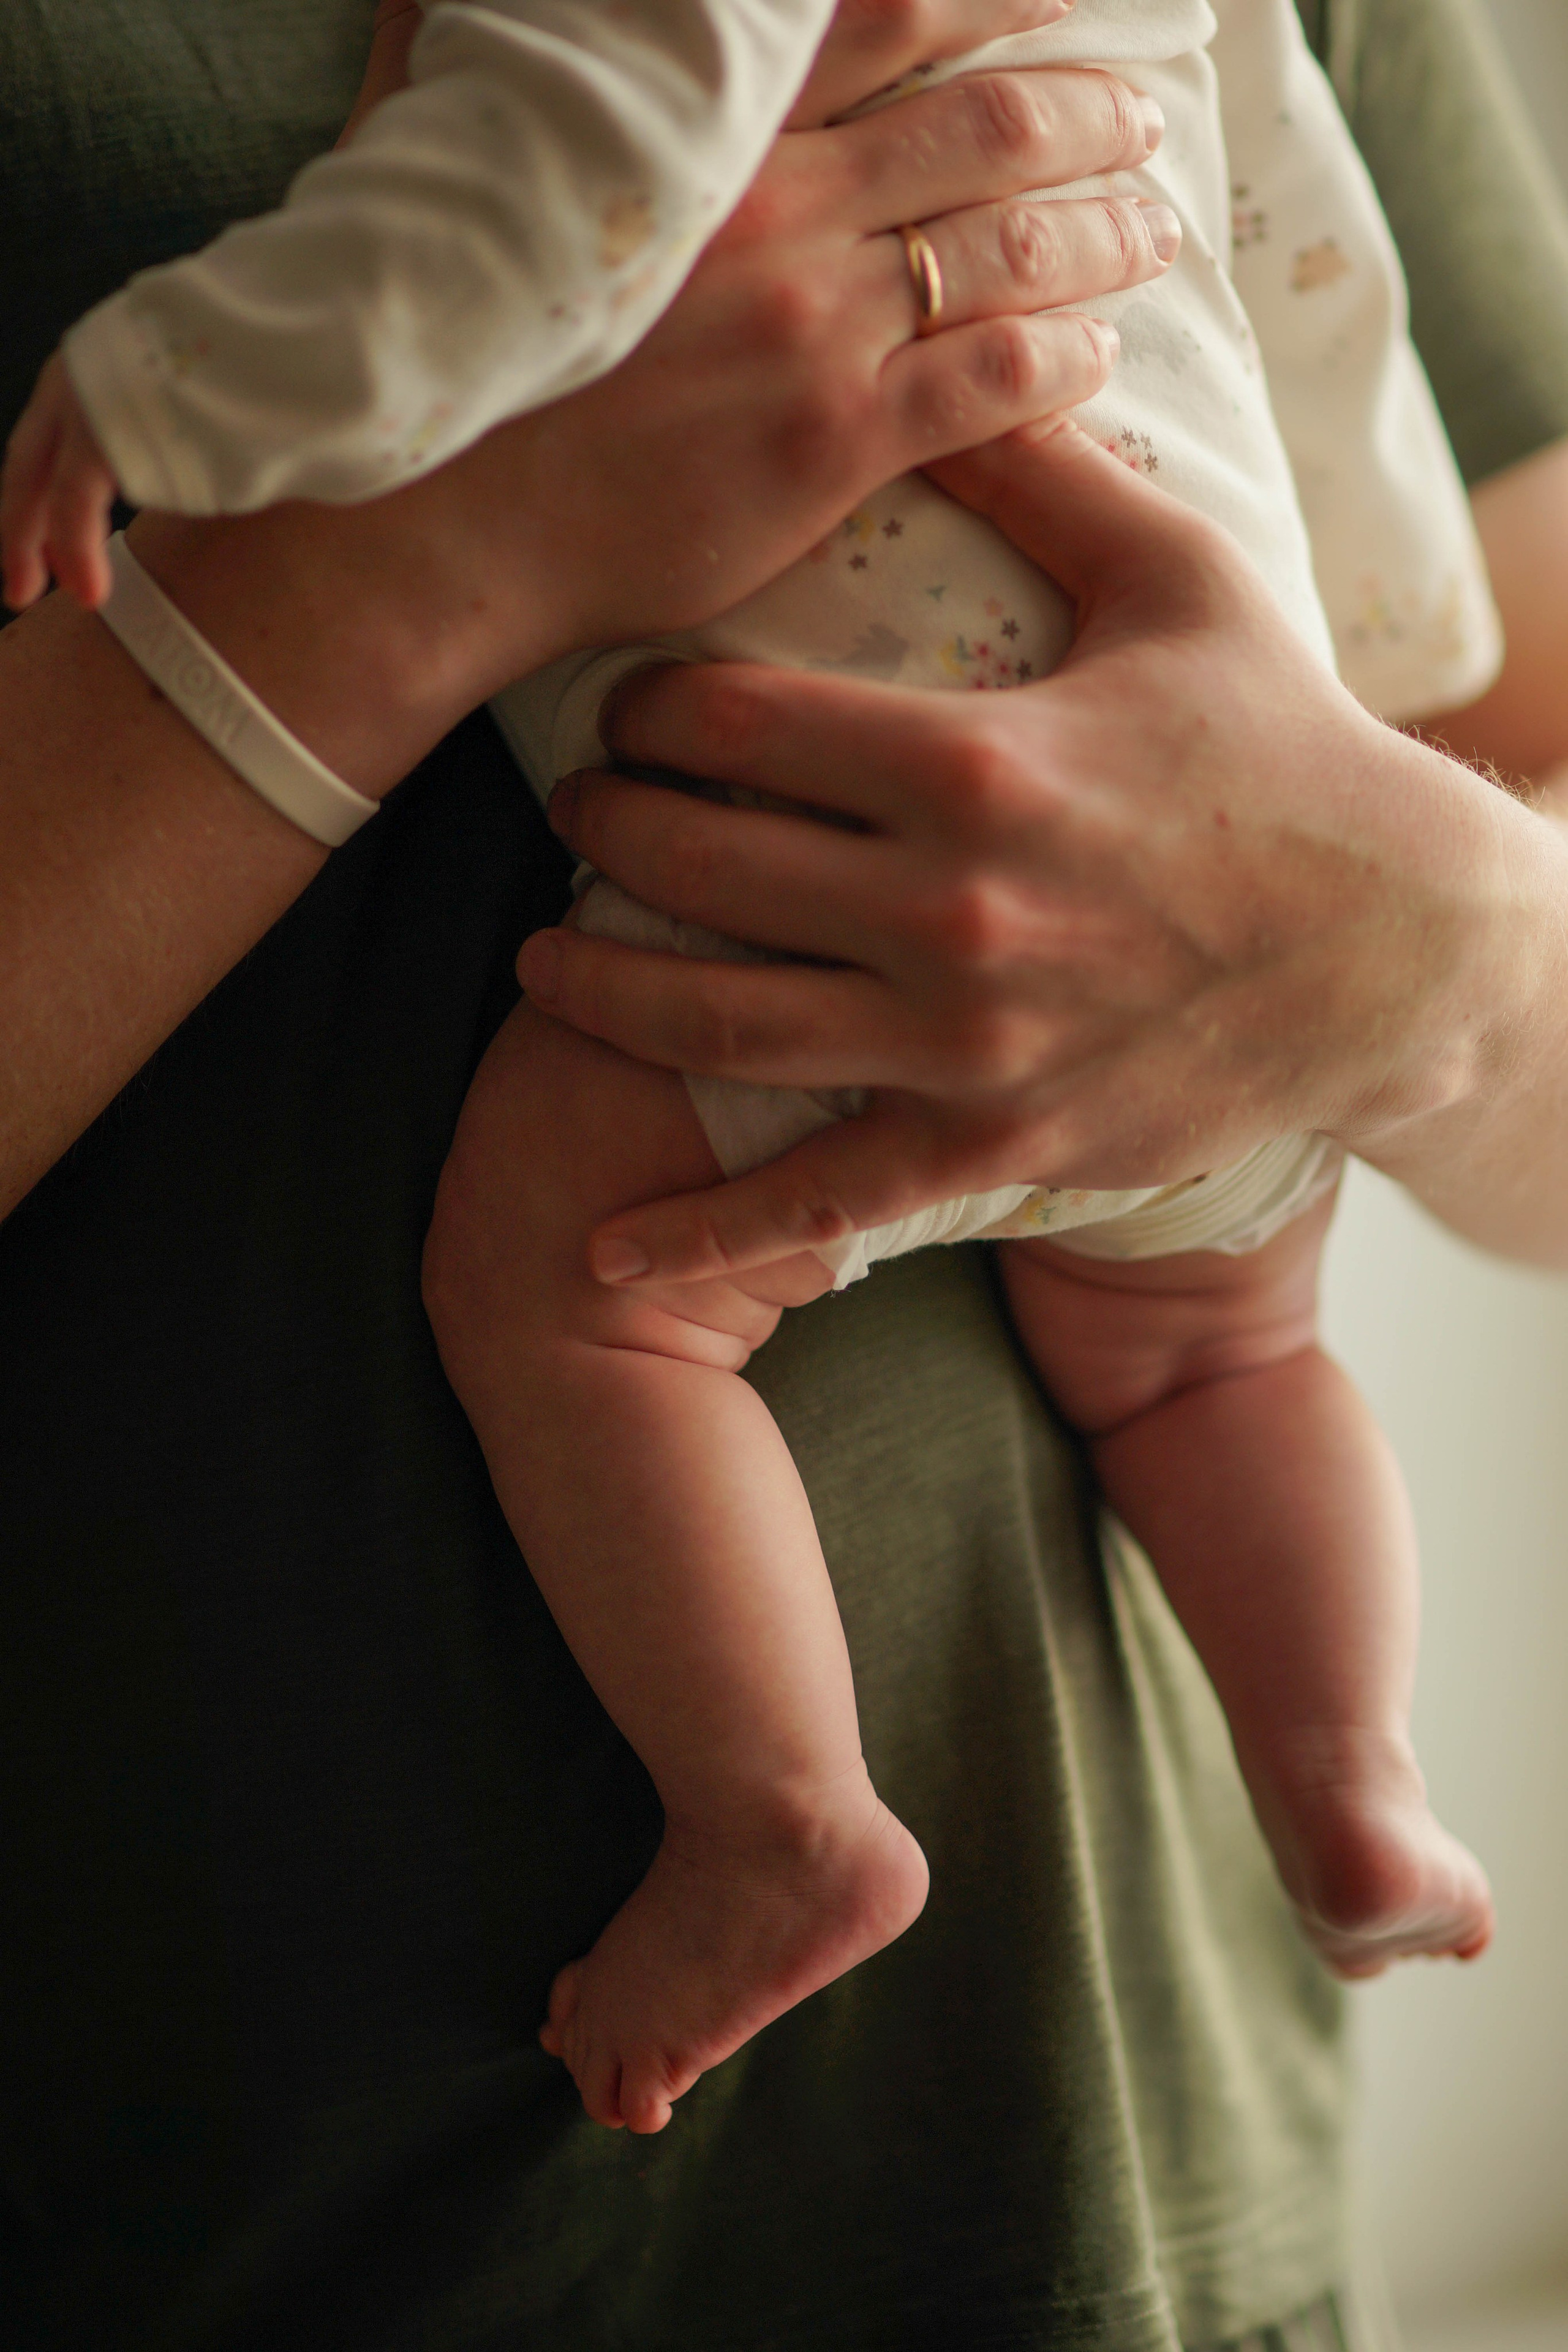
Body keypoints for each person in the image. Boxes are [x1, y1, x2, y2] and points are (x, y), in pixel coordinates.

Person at [4, 1, 1568, 2345]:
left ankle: (777, 1820)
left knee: (591, 1298)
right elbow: (1310, 296)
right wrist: (398, 562)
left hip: (1114, 2201)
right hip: (273, 2241)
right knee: (1227, 1355)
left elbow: (562, 174)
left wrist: (1448, 944)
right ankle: (1348, 1773)